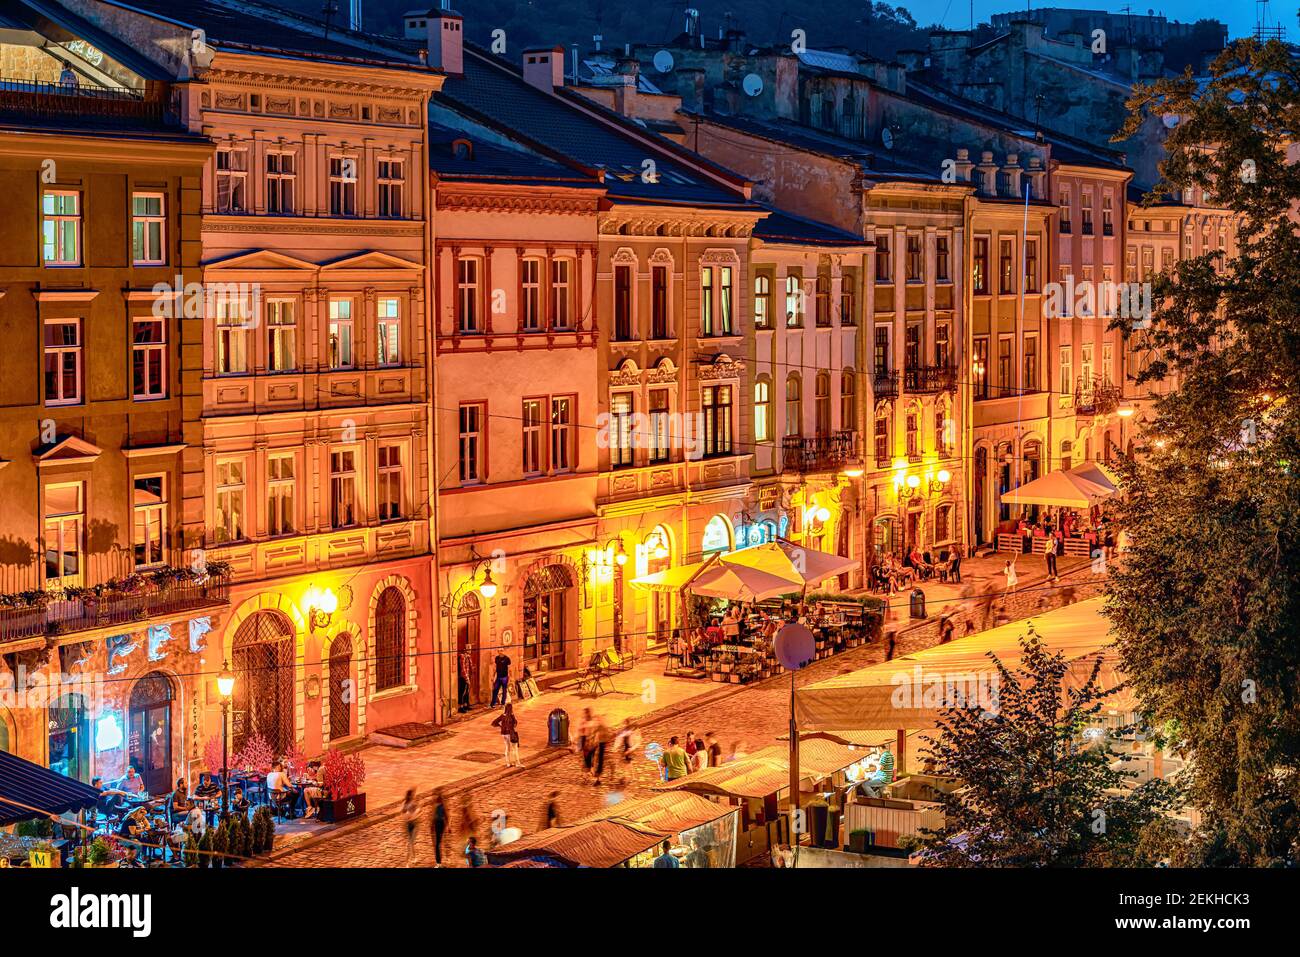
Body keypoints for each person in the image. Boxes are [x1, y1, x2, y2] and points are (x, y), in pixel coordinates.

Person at [491, 702, 521, 767]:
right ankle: (517, 763)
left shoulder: (502, 716)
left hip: (504, 734)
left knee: (507, 748)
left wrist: (500, 726)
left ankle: (508, 763)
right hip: (511, 734)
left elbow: (493, 723)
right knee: (514, 748)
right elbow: (515, 724)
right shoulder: (511, 716)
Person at [431, 791, 448, 866]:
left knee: (438, 843)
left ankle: (439, 862)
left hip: (439, 824)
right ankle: (439, 861)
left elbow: (434, 817)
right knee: (439, 843)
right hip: (440, 824)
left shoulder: (437, 807)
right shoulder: (442, 807)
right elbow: (446, 817)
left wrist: (431, 825)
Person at [403, 789, 419, 867]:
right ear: (409, 795)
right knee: (411, 843)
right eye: (412, 794)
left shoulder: (414, 803)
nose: (413, 795)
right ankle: (415, 858)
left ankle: (407, 863)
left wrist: (413, 815)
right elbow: (402, 812)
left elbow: (419, 810)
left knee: (409, 844)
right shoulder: (405, 803)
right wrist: (407, 815)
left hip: (414, 824)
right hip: (408, 825)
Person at [457, 648, 473, 712]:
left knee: (467, 691)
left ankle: (466, 705)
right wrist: (466, 678)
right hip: (463, 677)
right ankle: (461, 707)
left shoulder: (468, 657)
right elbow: (463, 668)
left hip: (467, 676)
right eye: (469, 650)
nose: (470, 651)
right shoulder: (462, 657)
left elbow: (469, 667)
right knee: (462, 692)